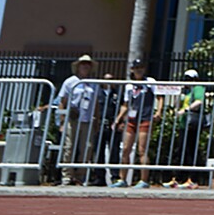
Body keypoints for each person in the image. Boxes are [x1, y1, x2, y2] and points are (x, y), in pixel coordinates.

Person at [111, 59, 159, 189]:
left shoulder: (150, 82)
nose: (139, 70)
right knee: (126, 149)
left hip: (145, 118)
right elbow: (126, 104)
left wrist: (158, 112)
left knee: (142, 149)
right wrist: (118, 118)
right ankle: (122, 179)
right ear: (132, 69)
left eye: (141, 67)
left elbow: (160, 96)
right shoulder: (129, 85)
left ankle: (144, 180)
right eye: (136, 67)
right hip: (132, 119)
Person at [55, 55, 100, 186]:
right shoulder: (70, 81)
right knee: (68, 147)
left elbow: (96, 104)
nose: (85, 66)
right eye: (83, 64)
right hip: (72, 119)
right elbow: (62, 102)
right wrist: (62, 121)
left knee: (87, 148)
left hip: (87, 120)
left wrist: (96, 120)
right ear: (78, 66)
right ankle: (67, 176)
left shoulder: (94, 83)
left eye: (88, 64)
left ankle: (81, 175)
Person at [165, 69, 206, 189]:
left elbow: (199, 101)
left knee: (190, 150)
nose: (187, 81)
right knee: (181, 150)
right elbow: (178, 104)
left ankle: (192, 179)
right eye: (186, 79)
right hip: (184, 124)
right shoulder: (186, 91)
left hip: (192, 123)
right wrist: (179, 95)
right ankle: (179, 178)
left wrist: (186, 109)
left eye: (190, 79)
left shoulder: (198, 88)